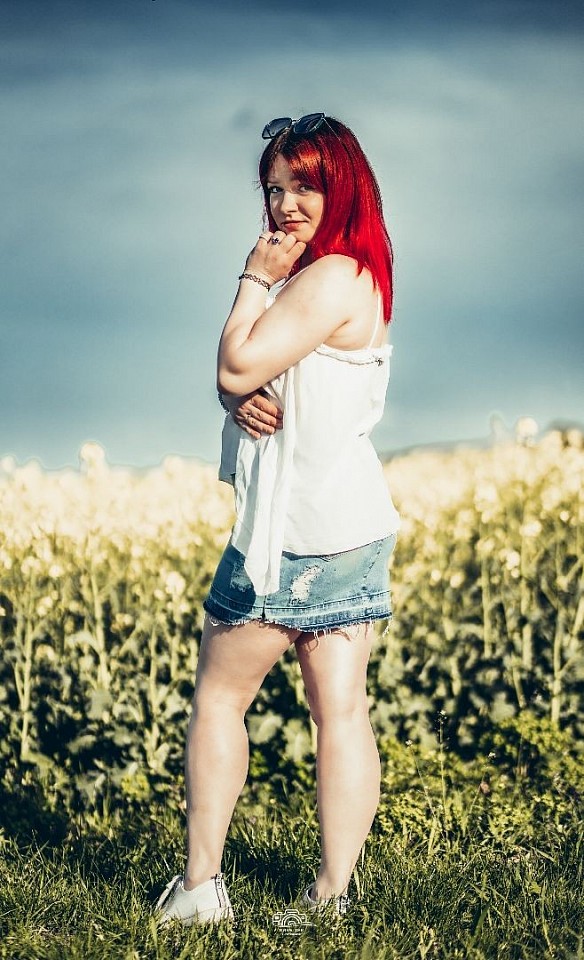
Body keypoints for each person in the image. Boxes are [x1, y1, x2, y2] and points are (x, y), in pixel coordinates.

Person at [156, 112, 400, 926]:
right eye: (274, 188)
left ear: (344, 188)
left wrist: (252, 278)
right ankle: (332, 898)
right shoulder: (353, 275)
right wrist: (238, 396)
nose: (285, 204)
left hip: (290, 533)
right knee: (342, 713)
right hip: (348, 523)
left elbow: (235, 362)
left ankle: (201, 890)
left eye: (306, 186)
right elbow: (256, 383)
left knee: (221, 698)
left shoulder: (325, 278)